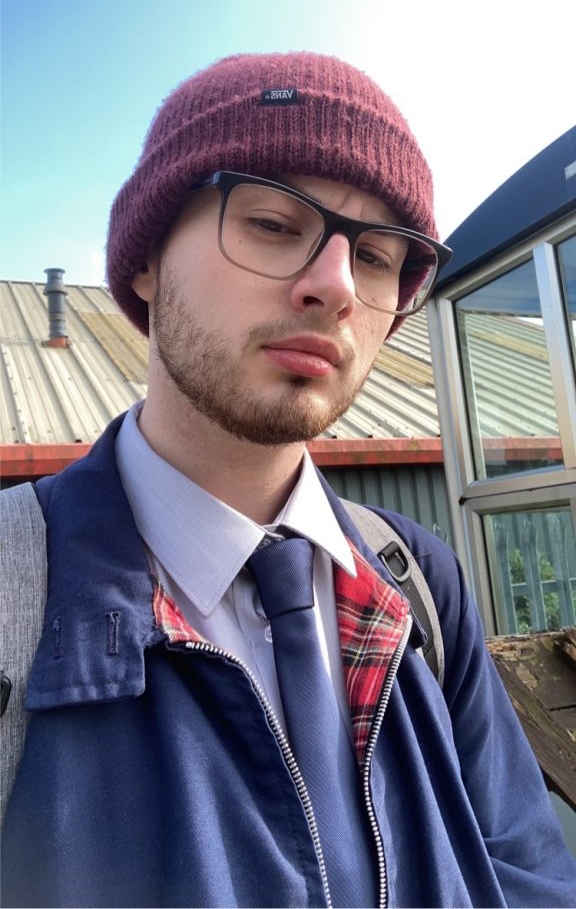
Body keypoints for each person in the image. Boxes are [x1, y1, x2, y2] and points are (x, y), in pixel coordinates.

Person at [1, 51, 575, 909]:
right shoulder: (15, 593)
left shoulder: (416, 580)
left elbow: (529, 874)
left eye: (380, 257)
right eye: (272, 222)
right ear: (146, 262)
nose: (338, 287)